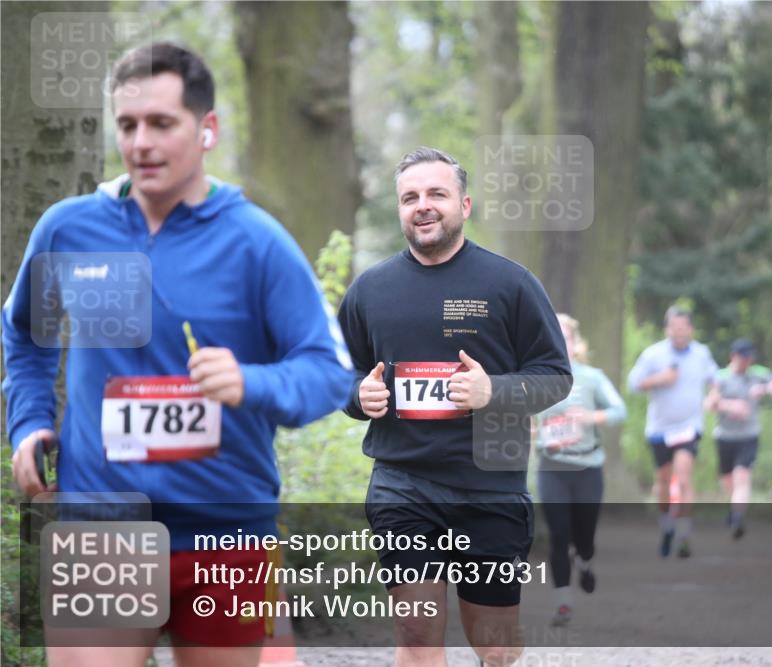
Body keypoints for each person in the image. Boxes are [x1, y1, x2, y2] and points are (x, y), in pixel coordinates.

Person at [3, 42, 354, 667]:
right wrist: (29, 423)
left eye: (162, 124)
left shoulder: (256, 242)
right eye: (128, 125)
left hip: (226, 534)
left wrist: (251, 382)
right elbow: (25, 337)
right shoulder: (69, 229)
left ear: (207, 129)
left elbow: (329, 372)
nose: (141, 142)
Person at [337, 147, 572, 667]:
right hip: (403, 480)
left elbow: (555, 376)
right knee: (418, 636)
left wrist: (495, 392)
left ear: (464, 205)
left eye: (436, 194)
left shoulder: (511, 283)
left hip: (490, 481)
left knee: (494, 643)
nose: (423, 206)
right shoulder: (369, 290)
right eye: (410, 197)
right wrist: (358, 396)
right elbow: (337, 375)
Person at [534, 314, 625, 627]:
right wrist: (530, 429)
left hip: (587, 467)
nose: (560, 343)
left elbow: (619, 410)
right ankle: (563, 602)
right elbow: (521, 415)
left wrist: (590, 417)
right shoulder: (535, 378)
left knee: (584, 535)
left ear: (575, 343)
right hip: (552, 468)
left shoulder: (592, 377)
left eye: (566, 337)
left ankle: (585, 561)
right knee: (558, 535)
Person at [627, 306, 718, 559]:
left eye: (683, 328)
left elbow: (715, 380)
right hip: (660, 429)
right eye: (674, 328)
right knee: (664, 482)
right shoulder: (653, 355)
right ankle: (667, 524)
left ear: (691, 329)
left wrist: (714, 396)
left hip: (689, 426)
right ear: (667, 329)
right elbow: (633, 384)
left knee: (685, 476)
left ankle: (684, 532)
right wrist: (661, 379)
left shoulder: (701, 353)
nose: (679, 332)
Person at [704, 338, 772, 538]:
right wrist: (730, 406)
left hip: (748, 435)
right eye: (743, 358)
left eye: (749, 358)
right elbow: (709, 404)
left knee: (742, 476)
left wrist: (765, 389)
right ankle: (735, 509)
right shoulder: (720, 377)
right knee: (727, 480)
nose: (746, 362)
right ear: (733, 357)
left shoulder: (757, 373)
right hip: (724, 436)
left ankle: (737, 518)